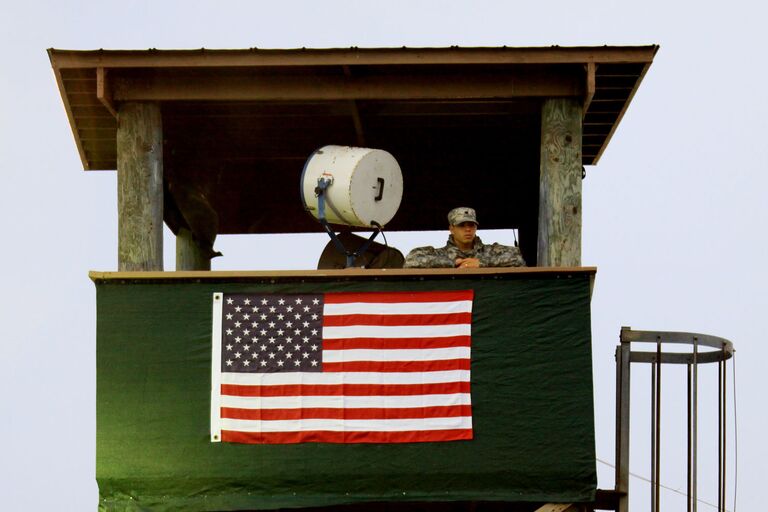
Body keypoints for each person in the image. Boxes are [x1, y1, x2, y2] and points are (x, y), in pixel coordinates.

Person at [403, 207, 526, 269]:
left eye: (471, 225)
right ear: (451, 229)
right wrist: (454, 263)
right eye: (462, 225)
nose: (468, 229)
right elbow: (410, 261)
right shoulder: (440, 254)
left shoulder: (491, 251)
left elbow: (518, 258)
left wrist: (481, 263)